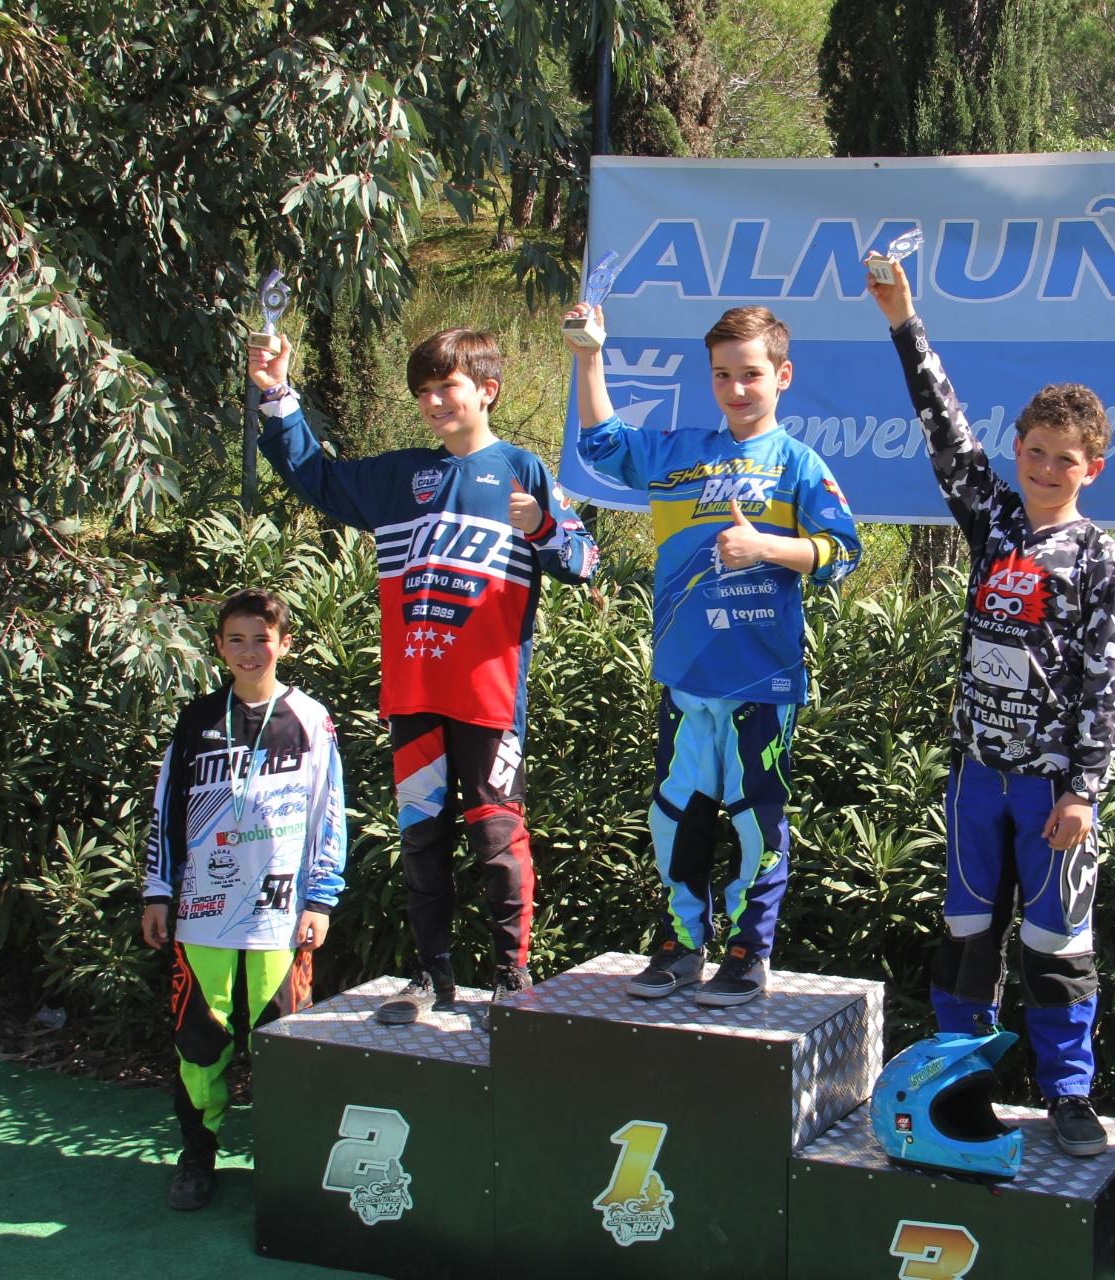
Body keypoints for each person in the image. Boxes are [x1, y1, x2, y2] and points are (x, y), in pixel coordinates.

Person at [866, 256, 1115, 1156]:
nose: (1049, 468)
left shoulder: (1098, 558)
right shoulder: (993, 518)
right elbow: (941, 424)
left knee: (1057, 943)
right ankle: (962, 1088)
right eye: (1036, 451)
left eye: (1067, 459)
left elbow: (1107, 678)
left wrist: (1085, 789)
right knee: (967, 937)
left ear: (1093, 468)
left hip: (1054, 791)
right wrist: (904, 320)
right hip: (978, 777)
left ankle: (1068, 1095)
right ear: (1017, 450)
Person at [250, 329, 598, 1024]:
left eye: (448, 387)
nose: (435, 401)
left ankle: (512, 978)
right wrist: (276, 394)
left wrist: (542, 528)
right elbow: (316, 476)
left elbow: (584, 562)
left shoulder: (522, 468)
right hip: (414, 695)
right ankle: (432, 976)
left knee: (497, 838)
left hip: (490, 697)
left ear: (487, 390)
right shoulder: (398, 477)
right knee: (420, 838)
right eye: (424, 392)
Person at [565, 301, 861, 1007]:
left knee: (757, 821)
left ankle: (748, 952)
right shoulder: (680, 454)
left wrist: (768, 547)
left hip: (762, 681)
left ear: (783, 376)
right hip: (685, 676)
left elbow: (844, 552)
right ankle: (680, 944)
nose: (736, 388)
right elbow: (602, 446)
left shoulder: (797, 464)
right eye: (722, 374)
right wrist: (589, 356)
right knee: (677, 816)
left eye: (751, 373)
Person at [141, 588, 348, 1210]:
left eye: (262, 639)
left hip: (279, 916)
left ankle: (287, 1166)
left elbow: (329, 812)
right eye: (237, 639)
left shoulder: (310, 718)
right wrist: (158, 890)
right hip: (202, 913)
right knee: (199, 1043)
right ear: (219, 647)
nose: (250, 650)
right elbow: (166, 809)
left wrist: (322, 899)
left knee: (282, 1046)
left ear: (285, 644)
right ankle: (198, 1156)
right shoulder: (197, 718)